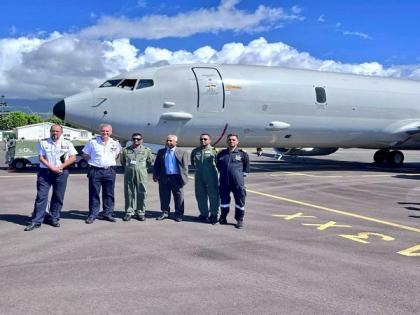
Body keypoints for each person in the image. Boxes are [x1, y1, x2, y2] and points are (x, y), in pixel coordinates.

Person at [24, 124, 77, 231]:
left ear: (61, 132)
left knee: (58, 196)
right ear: (50, 132)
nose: (55, 133)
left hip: (62, 172)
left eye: (57, 131)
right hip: (45, 172)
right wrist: (52, 167)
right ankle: (36, 221)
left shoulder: (67, 143)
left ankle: (54, 218)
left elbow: (73, 158)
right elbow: (41, 157)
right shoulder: (43, 143)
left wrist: (60, 167)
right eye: (53, 131)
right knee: (41, 196)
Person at [82, 123, 121, 224]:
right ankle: (93, 214)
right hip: (95, 170)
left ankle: (108, 213)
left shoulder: (115, 143)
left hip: (110, 170)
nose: (105, 133)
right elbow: (85, 155)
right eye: (103, 131)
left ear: (111, 132)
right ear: (100, 131)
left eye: (107, 131)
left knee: (109, 193)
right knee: (94, 193)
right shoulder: (92, 142)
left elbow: (116, 156)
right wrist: (94, 162)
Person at [216, 134, 250, 229]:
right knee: (224, 201)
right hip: (224, 182)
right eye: (229, 140)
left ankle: (239, 220)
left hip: (237, 183)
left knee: (240, 201)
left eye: (233, 140)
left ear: (237, 142)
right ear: (227, 142)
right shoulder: (221, 154)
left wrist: (239, 177)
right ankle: (223, 217)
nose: (231, 141)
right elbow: (218, 167)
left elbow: (246, 168)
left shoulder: (242, 154)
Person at [153, 134, 189, 222]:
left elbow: (185, 167)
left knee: (179, 197)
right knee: (164, 196)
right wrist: (155, 175)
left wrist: (184, 178)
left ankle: (178, 214)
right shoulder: (161, 152)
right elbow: (157, 165)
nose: (168, 142)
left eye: (170, 141)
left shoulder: (182, 152)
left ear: (175, 142)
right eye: (167, 140)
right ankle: (165, 212)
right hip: (164, 177)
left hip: (176, 177)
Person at [120, 133, 153, 221]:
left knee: (142, 192)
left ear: (142, 140)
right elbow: (123, 161)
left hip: (142, 174)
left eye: (138, 139)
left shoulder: (146, 150)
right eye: (134, 139)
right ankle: (129, 212)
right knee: (129, 192)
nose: (136, 140)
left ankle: (140, 212)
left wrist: (141, 169)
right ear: (132, 139)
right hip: (129, 174)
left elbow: (150, 161)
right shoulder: (126, 150)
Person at [190, 133, 219, 224]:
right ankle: (203, 214)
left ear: (210, 140)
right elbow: (193, 162)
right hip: (199, 176)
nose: (203, 140)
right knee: (200, 195)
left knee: (213, 195)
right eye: (201, 139)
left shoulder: (214, 151)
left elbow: (219, 164)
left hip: (211, 176)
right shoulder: (195, 151)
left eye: (205, 139)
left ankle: (214, 215)